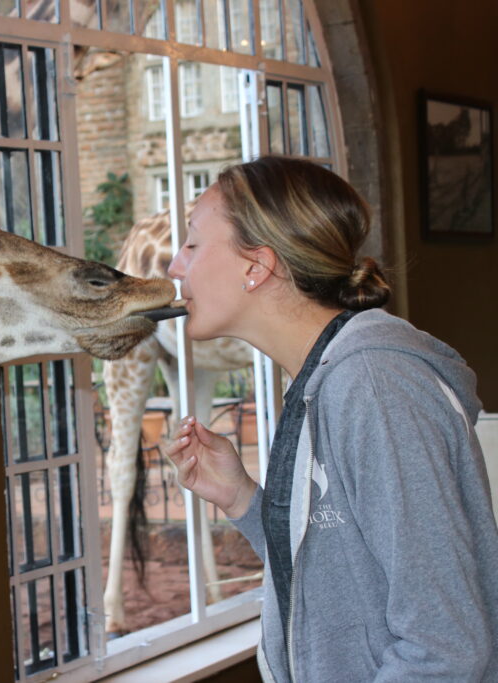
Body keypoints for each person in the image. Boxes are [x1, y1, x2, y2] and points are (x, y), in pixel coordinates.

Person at [164, 156, 498, 681]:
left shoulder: (374, 384)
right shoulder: (326, 376)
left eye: (192, 243)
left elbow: (446, 646)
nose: (174, 268)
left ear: (257, 266)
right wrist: (245, 500)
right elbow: (342, 563)